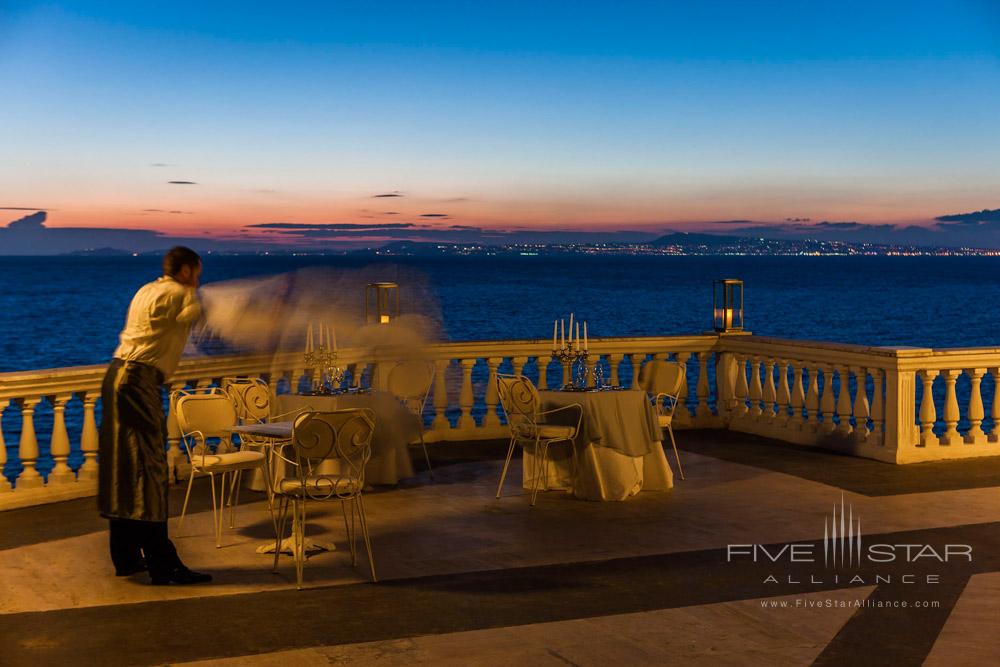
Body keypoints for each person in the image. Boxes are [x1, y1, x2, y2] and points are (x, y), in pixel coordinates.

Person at [98, 246, 212, 585]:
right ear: (189, 271)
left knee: (124, 466)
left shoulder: (147, 289)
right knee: (150, 468)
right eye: (198, 273)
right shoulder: (181, 293)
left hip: (117, 374)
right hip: (138, 382)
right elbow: (209, 320)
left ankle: (126, 556)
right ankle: (164, 565)